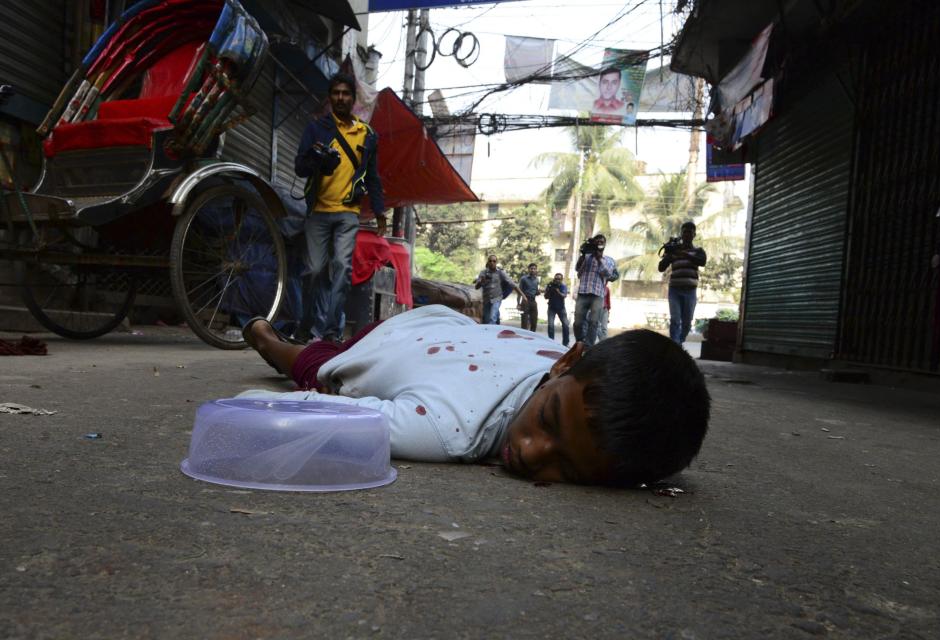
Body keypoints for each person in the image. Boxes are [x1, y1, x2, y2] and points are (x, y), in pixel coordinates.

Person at [239, 304, 711, 486]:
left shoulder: (564, 360)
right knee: (311, 365)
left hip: (432, 323)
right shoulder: (449, 429)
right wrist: (241, 407)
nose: (529, 451)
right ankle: (264, 336)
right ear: (565, 361)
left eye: (564, 467)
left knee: (329, 348)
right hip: (381, 346)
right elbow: (325, 409)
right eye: (547, 421)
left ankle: (273, 331)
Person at [293, 72, 386, 343]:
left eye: (345, 93)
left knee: (342, 270)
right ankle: (306, 325)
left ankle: (331, 332)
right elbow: (299, 168)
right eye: (336, 93)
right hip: (318, 212)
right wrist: (316, 158)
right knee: (314, 271)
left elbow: (373, 177)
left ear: (353, 99)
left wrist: (379, 211)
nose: (340, 98)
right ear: (330, 98)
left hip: (348, 213)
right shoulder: (316, 129)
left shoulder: (366, 135)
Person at [658, 221, 707, 346]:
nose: (686, 235)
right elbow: (661, 267)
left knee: (687, 322)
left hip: (690, 291)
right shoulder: (674, 250)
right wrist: (669, 253)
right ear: (681, 234)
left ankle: (679, 341)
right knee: (675, 319)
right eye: (684, 232)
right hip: (674, 290)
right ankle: (675, 345)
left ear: (694, 235)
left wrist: (684, 253)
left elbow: (702, 261)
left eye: (689, 232)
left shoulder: (698, 251)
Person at [574, 234, 618, 346]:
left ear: (604, 244)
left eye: (601, 241)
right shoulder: (587, 257)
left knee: (594, 322)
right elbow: (578, 269)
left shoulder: (609, 260)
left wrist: (598, 259)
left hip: (598, 295)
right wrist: (583, 254)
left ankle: (588, 347)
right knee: (578, 322)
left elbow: (608, 274)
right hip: (583, 292)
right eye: (597, 241)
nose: (599, 243)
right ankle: (580, 342)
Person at [474, 254, 526, 325]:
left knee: (492, 318)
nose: (492, 262)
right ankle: (496, 325)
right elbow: (476, 287)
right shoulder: (483, 273)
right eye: (490, 261)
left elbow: (512, 284)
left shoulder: (500, 273)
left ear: (496, 262)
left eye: (494, 261)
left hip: (497, 298)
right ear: (488, 262)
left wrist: (523, 295)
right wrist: (481, 282)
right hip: (486, 299)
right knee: (486, 319)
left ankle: (492, 334)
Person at [543, 272, 571, 346]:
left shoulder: (563, 286)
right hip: (551, 308)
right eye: (556, 278)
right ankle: (551, 342)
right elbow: (545, 297)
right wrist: (549, 289)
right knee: (550, 325)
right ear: (554, 279)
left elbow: (564, 295)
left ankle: (565, 343)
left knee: (565, 325)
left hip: (561, 308)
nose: (557, 280)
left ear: (561, 280)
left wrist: (557, 291)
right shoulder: (550, 285)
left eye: (559, 279)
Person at [518, 263, 541, 332]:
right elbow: (519, 291)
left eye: (534, 269)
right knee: (524, 322)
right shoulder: (523, 279)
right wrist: (518, 303)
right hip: (525, 301)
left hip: (533, 301)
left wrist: (538, 292)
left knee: (534, 321)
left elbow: (536, 291)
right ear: (528, 269)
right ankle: (523, 338)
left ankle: (532, 337)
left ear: (536, 270)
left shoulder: (537, 280)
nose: (533, 270)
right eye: (531, 269)